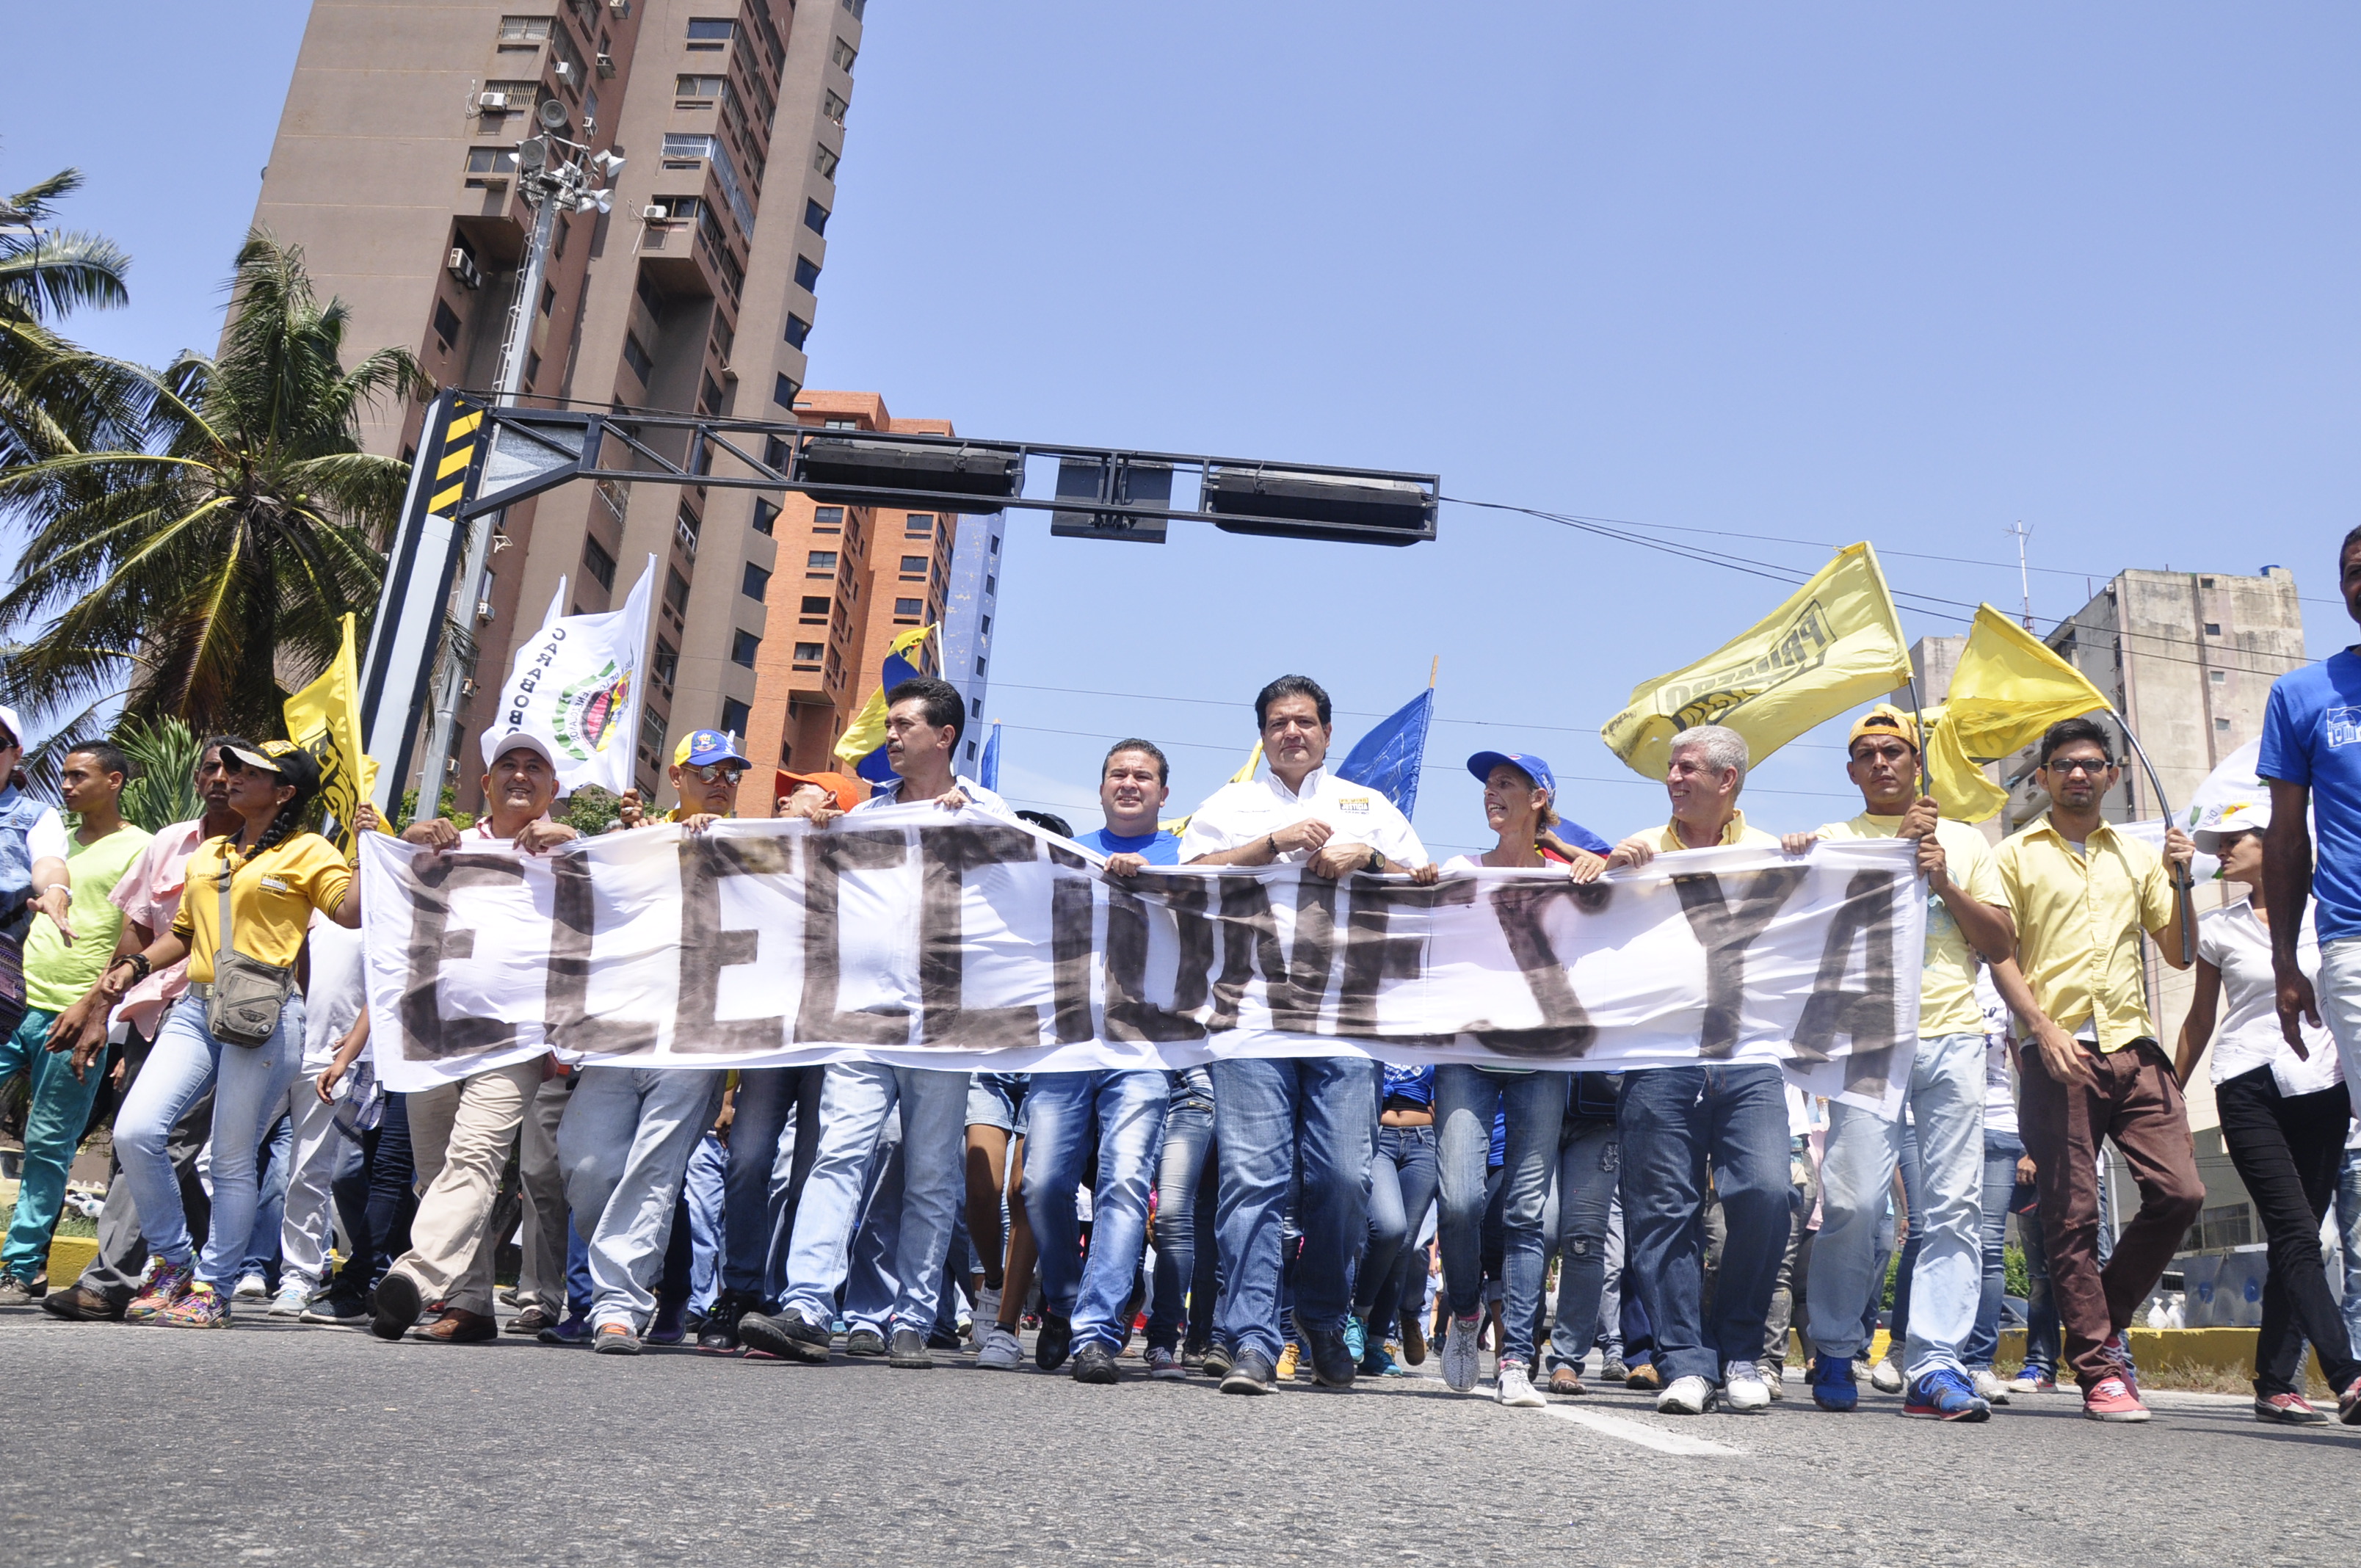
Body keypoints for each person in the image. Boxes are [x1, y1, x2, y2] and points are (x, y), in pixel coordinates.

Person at [738, 678, 1015, 1369]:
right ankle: (807, 1304)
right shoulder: (866, 811)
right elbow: (803, 822)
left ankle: (914, 1317)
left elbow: (1022, 893)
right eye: (887, 726)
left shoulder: (986, 809)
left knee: (928, 1175)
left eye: (902, 726)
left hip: (944, 1028)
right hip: (862, 1020)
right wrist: (808, 807)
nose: (889, 737)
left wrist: (980, 829)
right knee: (838, 1156)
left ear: (944, 737)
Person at [1177, 675, 1436, 1395]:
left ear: (1327, 733)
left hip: (1345, 1025)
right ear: (1262, 736)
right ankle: (1255, 1340)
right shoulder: (1231, 805)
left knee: (1345, 1183)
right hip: (1251, 1019)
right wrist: (1269, 844)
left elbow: (1427, 887)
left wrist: (1371, 859)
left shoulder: (1368, 808)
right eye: (1277, 722)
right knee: (1252, 1183)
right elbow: (1183, 879)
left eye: (1305, 722)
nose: (1292, 732)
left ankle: (1322, 1317)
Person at [1784, 707, 2016, 1421]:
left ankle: (1935, 1362)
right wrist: (1796, 869)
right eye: (1867, 753)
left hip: (1952, 1035)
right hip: (1865, 1041)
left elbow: (2002, 940)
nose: (1883, 762)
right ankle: (1834, 1345)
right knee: (1853, 1203)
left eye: (1896, 751)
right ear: (1851, 770)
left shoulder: (1963, 842)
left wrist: (1943, 880)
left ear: (1917, 763)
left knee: (1955, 1210)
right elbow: (1788, 932)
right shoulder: (1831, 842)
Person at [87, 740, 362, 1327]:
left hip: (265, 1015)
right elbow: (184, 933)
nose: (231, 777)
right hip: (196, 1007)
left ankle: (214, 1287)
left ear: (284, 792)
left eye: (249, 772)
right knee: (137, 1131)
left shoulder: (310, 850)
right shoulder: (209, 852)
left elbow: (350, 914)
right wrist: (134, 968)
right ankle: (173, 1261)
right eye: (230, 767)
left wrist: (368, 852)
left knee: (233, 1159)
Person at [1986, 715, 2197, 1422]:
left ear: (2112, 776)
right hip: (2059, 1050)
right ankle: (2101, 1368)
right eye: (2065, 764)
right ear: (2043, 777)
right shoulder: (2014, 856)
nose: (2079, 774)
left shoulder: (2137, 858)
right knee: (2072, 1215)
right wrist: (2040, 1028)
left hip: (2134, 1048)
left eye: (2092, 764)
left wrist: (2183, 878)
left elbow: (2180, 953)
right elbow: (1999, 952)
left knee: (2182, 1193)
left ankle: (2096, 1316)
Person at [1575, 724, 1789, 1415]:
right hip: (1659, 1058)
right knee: (1662, 1210)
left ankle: (1742, 1352)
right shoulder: (1639, 852)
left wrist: (1814, 864)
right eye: (1670, 768)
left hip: (1748, 1054)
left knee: (1764, 1191)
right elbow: (1587, 923)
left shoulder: (1772, 853)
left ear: (1727, 781)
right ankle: (1685, 1363)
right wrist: (1606, 869)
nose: (1672, 778)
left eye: (1687, 768)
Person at [368, 732, 579, 1345]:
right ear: (484, 784)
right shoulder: (446, 847)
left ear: (552, 789)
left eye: (534, 767)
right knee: (433, 1172)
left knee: (477, 1155)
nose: (520, 775)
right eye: (507, 766)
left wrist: (577, 843)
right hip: (432, 1034)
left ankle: (417, 1275)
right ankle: (471, 1305)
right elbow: (364, 913)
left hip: (516, 1040)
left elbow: (628, 907)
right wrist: (399, 844)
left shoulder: (576, 855)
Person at [38, 739, 245, 1321]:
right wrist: (99, 1010)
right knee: (139, 1146)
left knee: (163, 1140)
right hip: (154, 1015)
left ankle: (110, 1280)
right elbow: (136, 933)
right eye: (210, 768)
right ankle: (211, 1256)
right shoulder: (169, 843)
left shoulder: (271, 851)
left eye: (234, 771)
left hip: (225, 1019)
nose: (219, 779)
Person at [2171, 801, 2361, 1424]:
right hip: (2246, 1083)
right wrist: (2172, 1092)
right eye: (2217, 843)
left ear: (2274, 841)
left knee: (2297, 1238)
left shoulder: (2332, 911)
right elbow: (2201, 1019)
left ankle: (2275, 1382)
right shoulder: (2219, 928)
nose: (2221, 851)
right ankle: (2349, 1375)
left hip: (2325, 1085)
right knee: (2299, 1232)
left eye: (2234, 839)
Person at [557, 730, 744, 1354]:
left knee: (655, 1173)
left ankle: (617, 1306)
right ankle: (644, 1277)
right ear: (677, 776)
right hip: (620, 1034)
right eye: (708, 771)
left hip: (694, 1041)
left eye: (731, 774)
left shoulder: (756, 848)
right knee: (588, 1170)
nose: (722, 783)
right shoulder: (630, 842)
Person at [1434, 751, 1594, 1409]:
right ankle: (1467, 1310)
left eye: (1508, 785)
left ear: (1540, 798)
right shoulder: (1460, 870)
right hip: (1467, 1056)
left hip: (1543, 1061)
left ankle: (1517, 1361)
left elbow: (1643, 879)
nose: (1493, 794)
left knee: (1529, 1214)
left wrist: (1581, 855)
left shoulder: (1570, 871)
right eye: (1488, 786)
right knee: (1462, 1200)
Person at [1020, 741, 1183, 1382]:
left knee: (1122, 1185)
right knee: (1042, 1185)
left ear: (1164, 794)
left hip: (1145, 1049)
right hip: (1065, 1043)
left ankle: (1097, 1332)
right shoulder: (1067, 854)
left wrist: (1159, 889)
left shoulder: (1188, 858)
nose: (1131, 782)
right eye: (1119, 773)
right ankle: (1062, 1299)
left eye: (1144, 775)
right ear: (1101, 787)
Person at [694, 768, 862, 1354]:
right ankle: (740, 1290)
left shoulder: (860, 860)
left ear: (834, 806)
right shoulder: (760, 852)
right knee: (746, 1162)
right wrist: (702, 833)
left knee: (815, 1175)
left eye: (802, 790)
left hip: (833, 1038)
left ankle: (796, 1300)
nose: (785, 796)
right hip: (771, 1038)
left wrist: (844, 836)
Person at [0, 741, 149, 1302]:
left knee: (47, 1142)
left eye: (78, 775)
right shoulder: (54, 840)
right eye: (62, 776)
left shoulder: (142, 847)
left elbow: (139, 937)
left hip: (77, 1011)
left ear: (114, 781)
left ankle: (21, 1267)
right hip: (15, 1001)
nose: (66, 785)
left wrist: (93, 1009)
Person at [1355, 1062, 1437, 1380]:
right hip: (1378, 1135)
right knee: (1389, 1229)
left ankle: (1377, 1343)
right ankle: (1357, 1317)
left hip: (1424, 1141)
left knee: (1405, 1247)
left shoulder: (1435, 1028)